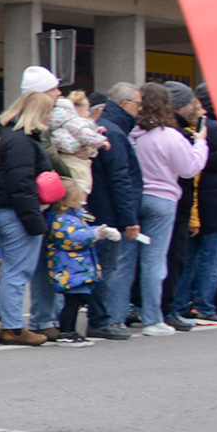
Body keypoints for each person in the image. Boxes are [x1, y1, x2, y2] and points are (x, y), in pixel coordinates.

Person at [0, 68, 59, 347]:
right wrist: (34, 221)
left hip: (9, 210)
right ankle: (13, 327)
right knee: (17, 270)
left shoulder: (12, 136)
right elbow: (22, 184)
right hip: (17, 212)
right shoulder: (22, 140)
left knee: (15, 269)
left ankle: (12, 324)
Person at [129, 81, 206, 336]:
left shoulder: (132, 134)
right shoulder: (169, 135)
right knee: (154, 262)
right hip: (162, 199)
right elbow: (188, 168)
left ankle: (118, 314)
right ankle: (153, 318)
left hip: (134, 197)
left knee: (127, 260)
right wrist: (201, 144)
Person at [86, 82, 143, 339]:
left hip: (99, 209)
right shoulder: (116, 134)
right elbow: (121, 180)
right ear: (124, 104)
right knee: (105, 269)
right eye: (138, 105)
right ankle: (99, 321)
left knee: (101, 268)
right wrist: (129, 220)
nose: (140, 110)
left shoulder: (106, 127)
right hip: (108, 214)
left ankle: (98, 318)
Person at [175, 83, 217, 324]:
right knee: (211, 259)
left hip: (192, 202)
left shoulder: (182, 131)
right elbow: (216, 163)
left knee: (188, 258)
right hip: (216, 200)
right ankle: (204, 306)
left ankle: (180, 303)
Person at [44, 179, 117, 345]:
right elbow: (71, 238)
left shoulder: (71, 217)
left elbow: (80, 233)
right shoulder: (61, 219)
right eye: (74, 200)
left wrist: (98, 232)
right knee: (71, 303)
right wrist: (95, 234)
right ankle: (65, 332)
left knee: (75, 302)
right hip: (69, 268)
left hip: (76, 268)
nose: (78, 203)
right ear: (63, 201)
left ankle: (70, 330)